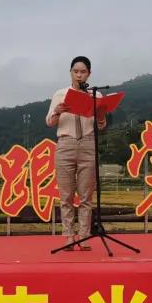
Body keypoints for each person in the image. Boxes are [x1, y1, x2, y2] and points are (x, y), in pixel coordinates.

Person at [46, 56, 106, 250]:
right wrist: (57, 111)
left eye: (83, 72)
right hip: (66, 143)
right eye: (76, 71)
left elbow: (101, 126)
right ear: (70, 72)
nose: (79, 75)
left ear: (89, 74)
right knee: (66, 195)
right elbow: (50, 122)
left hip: (88, 143)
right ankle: (69, 237)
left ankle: (84, 236)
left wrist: (101, 114)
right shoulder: (60, 94)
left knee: (86, 195)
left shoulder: (96, 95)